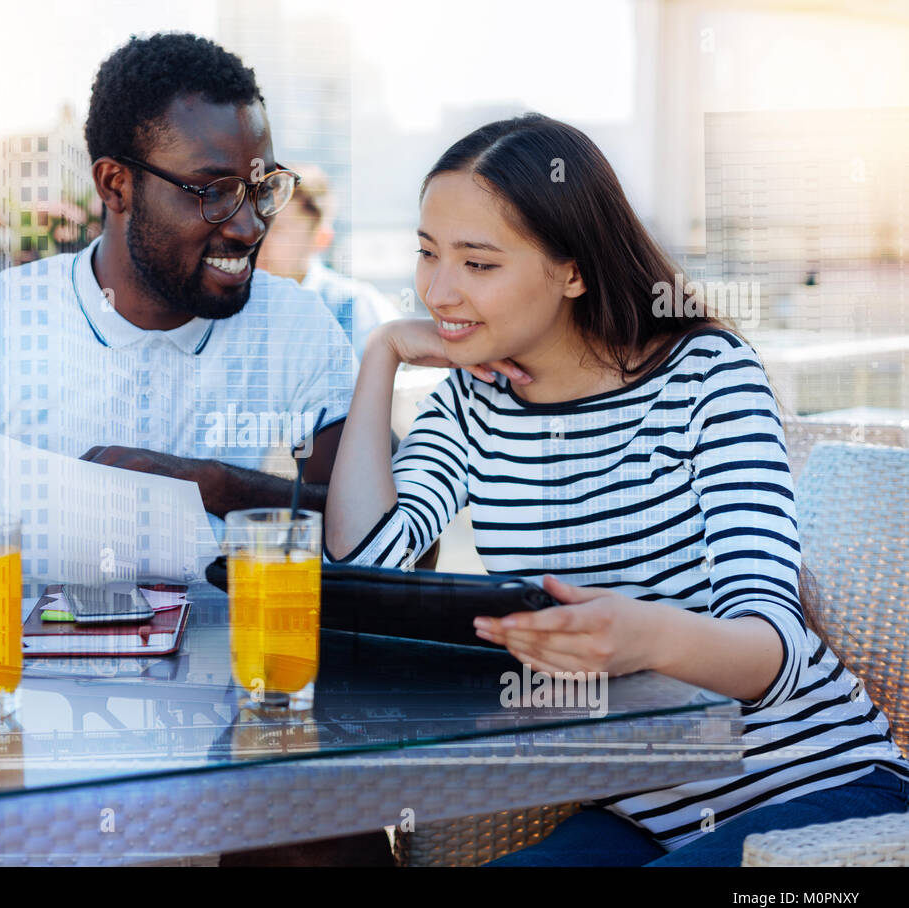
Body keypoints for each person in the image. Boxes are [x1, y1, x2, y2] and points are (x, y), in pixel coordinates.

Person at [324, 114, 909, 866]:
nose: (438, 291)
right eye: (428, 254)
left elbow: (775, 652)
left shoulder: (706, 375)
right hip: (646, 810)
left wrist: (645, 636)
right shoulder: (475, 405)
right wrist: (382, 356)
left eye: (479, 264)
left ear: (572, 270)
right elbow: (371, 561)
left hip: (813, 791)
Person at [0, 33, 358, 600]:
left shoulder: (296, 326)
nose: (249, 226)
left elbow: (391, 538)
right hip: (27, 681)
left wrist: (211, 485)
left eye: (261, 189)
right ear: (116, 184)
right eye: (213, 191)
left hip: (236, 679)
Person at [255, 164, 399, 362]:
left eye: (278, 229)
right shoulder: (234, 301)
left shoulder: (356, 309)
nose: (259, 238)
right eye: (258, 223)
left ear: (320, 239)